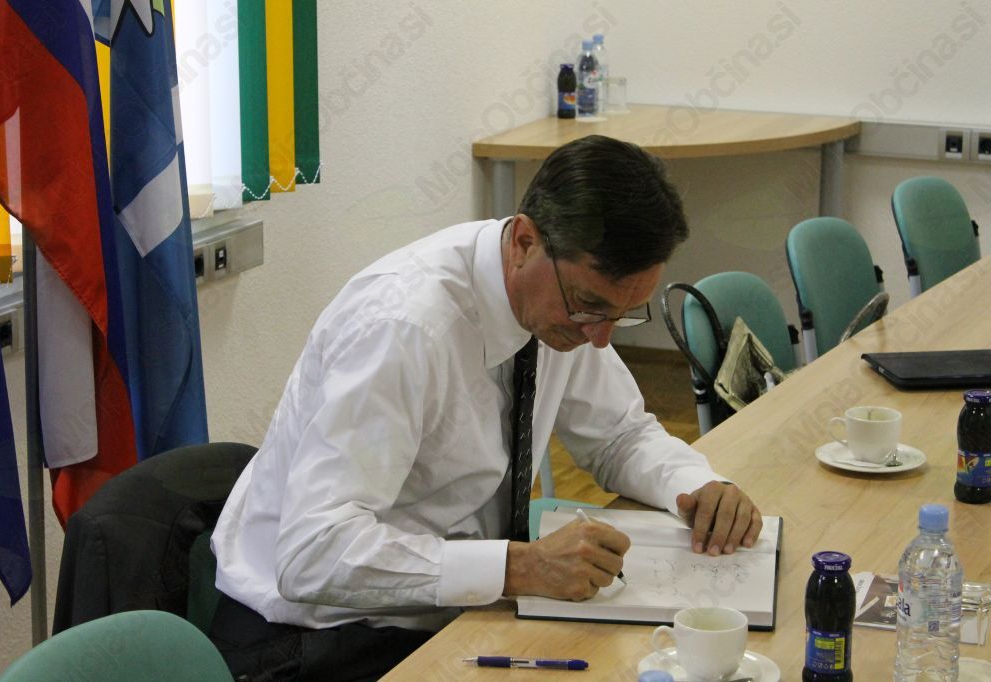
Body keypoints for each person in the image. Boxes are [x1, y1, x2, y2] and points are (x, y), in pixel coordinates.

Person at [209, 134, 763, 681]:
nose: (600, 338)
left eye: (625, 314)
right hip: (317, 638)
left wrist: (696, 486)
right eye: (590, 306)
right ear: (524, 242)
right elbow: (312, 552)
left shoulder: (558, 305)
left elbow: (619, 435)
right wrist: (519, 567)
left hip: (452, 611)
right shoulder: (402, 329)